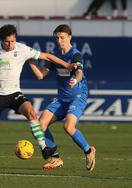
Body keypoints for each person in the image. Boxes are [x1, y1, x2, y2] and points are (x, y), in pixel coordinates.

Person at [0, 24, 75, 171]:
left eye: (13, 41)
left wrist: (66, 65)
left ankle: (43, 147)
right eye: (7, 42)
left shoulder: (22, 49)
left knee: (31, 113)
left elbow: (47, 56)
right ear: (1, 41)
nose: (10, 45)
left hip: (15, 93)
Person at [28, 24, 96, 171]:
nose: (59, 41)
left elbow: (79, 73)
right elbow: (41, 75)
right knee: (40, 126)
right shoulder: (55, 57)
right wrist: (31, 61)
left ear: (69, 37)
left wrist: (75, 80)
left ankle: (88, 151)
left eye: (62, 38)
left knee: (68, 127)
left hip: (77, 96)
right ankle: (56, 158)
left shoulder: (75, 54)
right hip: (61, 99)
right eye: (57, 38)